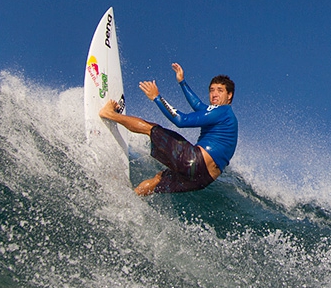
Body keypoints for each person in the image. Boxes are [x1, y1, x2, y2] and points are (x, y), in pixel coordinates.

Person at [99, 63, 238, 196]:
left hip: (196, 161)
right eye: (212, 90)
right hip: (203, 180)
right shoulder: (223, 115)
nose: (214, 94)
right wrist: (182, 82)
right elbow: (198, 105)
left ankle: (109, 114)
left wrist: (156, 97)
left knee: (151, 128)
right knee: (158, 180)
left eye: (220, 91)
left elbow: (181, 120)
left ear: (229, 95)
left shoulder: (222, 111)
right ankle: (129, 198)